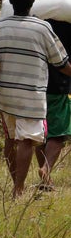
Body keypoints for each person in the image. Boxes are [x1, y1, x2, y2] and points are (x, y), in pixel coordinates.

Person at [0, 0, 71, 198]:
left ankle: (16, 184)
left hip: (6, 95)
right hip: (33, 94)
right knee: (28, 141)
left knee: (10, 140)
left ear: (11, 2)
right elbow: (61, 63)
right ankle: (18, 189)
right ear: (32, 3)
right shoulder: (43, 28)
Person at [36, 19, 71, 190]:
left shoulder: (41, 22)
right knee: (58, 134)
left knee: (40, 132)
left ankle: (45, 180)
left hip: (36, 84)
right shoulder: (68, 21)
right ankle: (46, 169)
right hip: (60, 85)